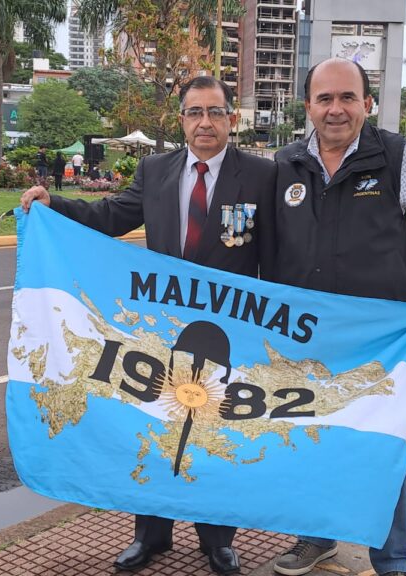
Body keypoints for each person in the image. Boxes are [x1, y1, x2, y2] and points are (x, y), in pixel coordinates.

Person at [21, 75, 277, 576]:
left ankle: (218, 540)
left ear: (232, 119)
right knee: (156, 428)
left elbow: (279, 250)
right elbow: (112, 215)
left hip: (228, 334)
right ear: (181, 119)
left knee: (214, 435)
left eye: (215, 112)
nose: (205, 122)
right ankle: (151, 536)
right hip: (163, 332)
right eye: (195, 112)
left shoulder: (261, 175)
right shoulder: (156, 169)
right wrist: (57, 207)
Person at [269, 58, 406, 576]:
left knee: (385, 445)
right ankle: (316, 538)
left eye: (347, 98)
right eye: (324, 99)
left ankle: (394, 558)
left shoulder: (396, 156)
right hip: (306, 338)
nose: (335, 109)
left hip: (380, 341)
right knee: (311, 435)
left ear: (367, 103)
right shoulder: (287, 162)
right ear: (308, 106)